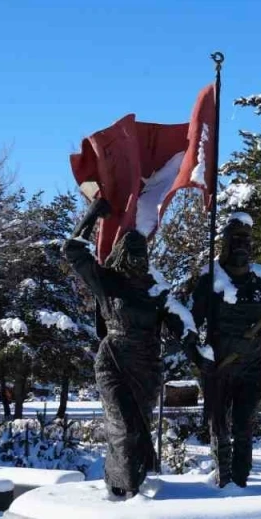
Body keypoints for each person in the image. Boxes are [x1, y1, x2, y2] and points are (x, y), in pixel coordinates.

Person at [64, 197, 210, 498]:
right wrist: (92, 215)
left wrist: (198, 355)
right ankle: (126, 489)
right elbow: (73, 250)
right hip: (113, 362)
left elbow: (180, 323)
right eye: (131, 252)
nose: (138, 258)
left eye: (142, 253)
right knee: (124, 428)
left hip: (146, 368)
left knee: (138, 430)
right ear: (121, 254)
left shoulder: (155, 289)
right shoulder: (108, 282)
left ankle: (127, 485)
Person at [189, 213, 261, 488]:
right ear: (224, 243)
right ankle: (224, 483)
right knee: (219, 429)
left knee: (243, 427)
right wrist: (197, 355)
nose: (241, 246)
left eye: (246, 241)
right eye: (235, 240)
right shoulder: (210, 282)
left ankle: (240, 483)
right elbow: (190, 324)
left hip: (251, 368)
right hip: (219, 369)